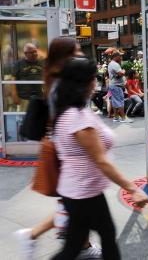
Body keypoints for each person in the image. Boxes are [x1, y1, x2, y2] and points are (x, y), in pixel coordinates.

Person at [51, 58, 148, 260]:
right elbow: (101, 160)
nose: (96, 83)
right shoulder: (77, 117)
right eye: (93, 79)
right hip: (83, 192)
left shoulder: (70, 111)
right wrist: (132, 189)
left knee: (76, 244)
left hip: (81, 190)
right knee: (101, 236)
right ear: (83, 82)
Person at [15, 38, 102, 260]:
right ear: (64, 54)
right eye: (76, 51)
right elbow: (67, 118)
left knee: (73, 204)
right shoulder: (58, 80)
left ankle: (80, 245)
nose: (81, 54)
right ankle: (38, 236)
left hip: (64, 147)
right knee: (74, 204)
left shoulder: (57, 75)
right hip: (65, 150)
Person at [12, 43, 44, 112]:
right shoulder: (19, 64)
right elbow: (13, 80)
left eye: (35, 51)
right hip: (24, 98)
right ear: (25, 53)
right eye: (32, 52)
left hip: (39, 96)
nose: (35, 53)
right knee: (24, 119)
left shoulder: (42, 63)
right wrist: (14, 95)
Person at [108, 50, 133, 123]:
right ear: (116, 56)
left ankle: (116, 117)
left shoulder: (111, 64)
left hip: (114, 85)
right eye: (120, 56)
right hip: (116, 86)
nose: (121, 57)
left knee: (115, 102)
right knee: (120, 102)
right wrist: (124, 71)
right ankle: (123, 118)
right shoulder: (115, 64)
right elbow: (121, 73)